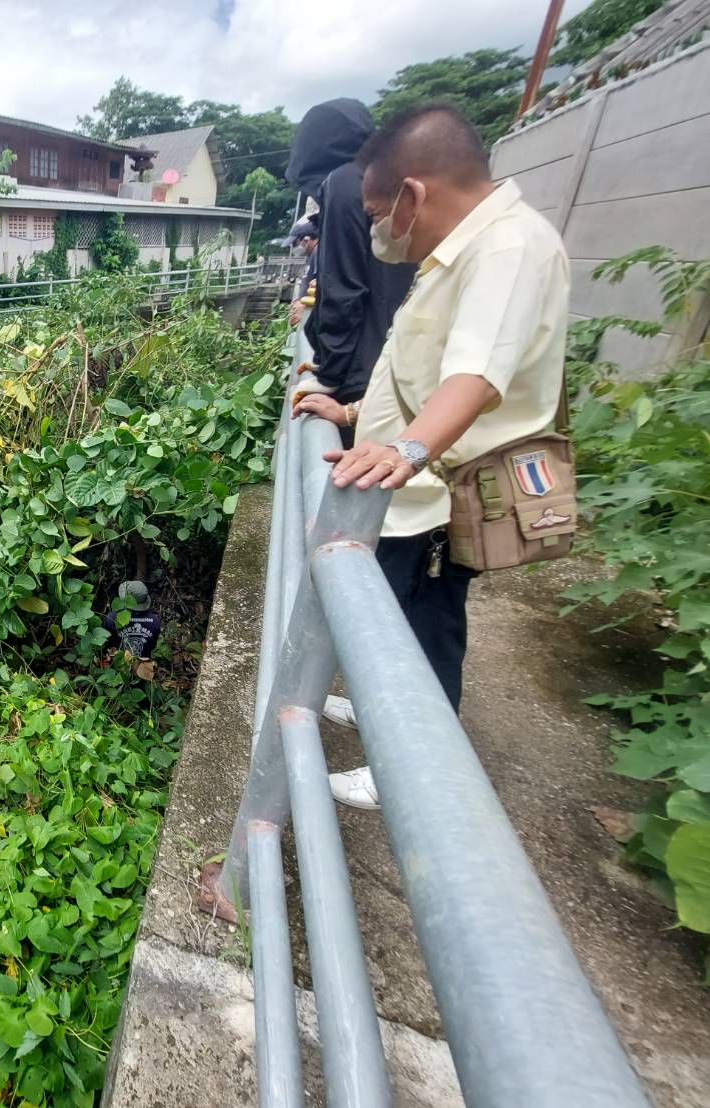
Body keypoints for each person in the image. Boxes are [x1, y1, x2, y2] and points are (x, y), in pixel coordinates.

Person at [294, 103, 570, 810]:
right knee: (392, 619)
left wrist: (408, 449)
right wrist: (350, 414)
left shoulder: (507, 249)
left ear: (412, 195)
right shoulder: (460, 252)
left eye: (376, 213)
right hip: (411, 493)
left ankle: (410, 767)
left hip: (440, 501)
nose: (376, 230)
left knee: (424, 629)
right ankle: (384, 716)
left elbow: (474, 377)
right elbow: (417, 369)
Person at [286, 99, 415, 416]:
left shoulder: (342, 184)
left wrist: (328, 374)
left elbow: (342, 287)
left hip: (358, 374)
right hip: (387, 361)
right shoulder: (383, 181)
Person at [103, 580, 162, 680]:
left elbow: (105, 646)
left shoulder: (112, 618)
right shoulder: (155, 621)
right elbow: (154, 646)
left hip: (116, 670)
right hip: (143, 671)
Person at [285, 219, 319, 327]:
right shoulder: (311, 254)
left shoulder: (318, 251)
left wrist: (302, 306)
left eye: (295, 243)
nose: (296, 247)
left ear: (306, 240)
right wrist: (299, 299)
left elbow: (319, 284)